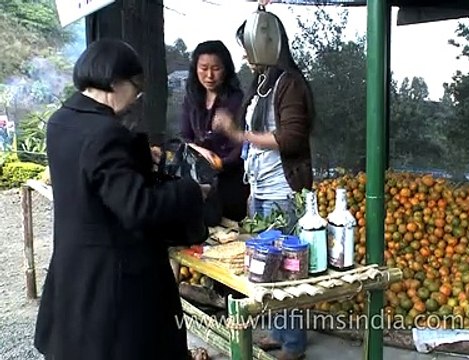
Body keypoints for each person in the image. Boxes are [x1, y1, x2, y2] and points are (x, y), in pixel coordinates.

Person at [34, 38, 211, 360]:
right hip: (113, 283)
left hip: (74, 273)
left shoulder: (62, 120)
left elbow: (90, 179)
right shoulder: (105, 132)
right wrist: (189, 191)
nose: (136, 96)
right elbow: (138, 208)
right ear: (115, 80)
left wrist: (136, 157)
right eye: (136, 85)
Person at [214, 15, 314, 360]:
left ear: (267, 44)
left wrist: (240, 134)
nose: (244, 56)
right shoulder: (263, 81)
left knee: (286, 268)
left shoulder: (290, 84)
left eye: (247, 48)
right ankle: (279, 331)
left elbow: (292, 136)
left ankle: (294, 344)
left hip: (283, 190)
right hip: (260, 189)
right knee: (268, 264)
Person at [180, 40, 249, 222]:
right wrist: (201, 153)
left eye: (216, 68)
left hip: (231, 182)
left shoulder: (238, 100)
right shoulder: (191, 99)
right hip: (199, 182)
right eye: (203, 68)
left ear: (226, 69)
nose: (209, 75)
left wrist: (219, 163)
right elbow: (186, 137)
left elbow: (243, 144)